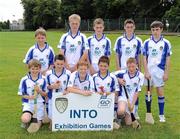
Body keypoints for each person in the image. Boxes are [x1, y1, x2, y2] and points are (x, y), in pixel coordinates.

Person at [143, 21, 172, 124]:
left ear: (161, 29)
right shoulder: (147, 42)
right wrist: (146, 71)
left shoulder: (166, 43)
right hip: (149, 72)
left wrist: (166, 73)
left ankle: (161, 114)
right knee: (148, 93)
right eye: (153, 30)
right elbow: (144, 58)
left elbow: (168, 59)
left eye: (157, 29)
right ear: (151, 30)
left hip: (160, 71)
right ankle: (148, 112)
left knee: (160, 92)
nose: (155, 32)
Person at [114, 19, 143, 119]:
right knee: (120, 91)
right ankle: (117, 112)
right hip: (123, 70)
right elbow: (117, 55)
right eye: (127, 27)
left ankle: (135, 111)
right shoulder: (119, 40)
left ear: (134, 27)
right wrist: (118, 70)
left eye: (131, 27)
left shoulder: (138, 40)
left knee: (135, 89)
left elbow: (139, 56)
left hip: (134, 70)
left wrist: (140, 70)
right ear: (124, 27)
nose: (129, 29)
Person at [18, 59, 47, 131]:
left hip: (39, 104)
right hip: (29, 103)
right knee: (25, 119)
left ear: (40, 69)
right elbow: (22, 94)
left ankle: (37, 120)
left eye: (37, 69)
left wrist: (39, 91)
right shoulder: (24, 79)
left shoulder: (43, 79)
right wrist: (31, 97)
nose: (34, 71)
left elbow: (45, 94)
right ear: (29, 69)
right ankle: (27, 120)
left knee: (37, 124)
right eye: (32, 69)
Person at [114, 58, 144, 127]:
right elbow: (111, 75)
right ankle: (118, 119)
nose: (131, 69)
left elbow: (137, 92)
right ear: (127, 66)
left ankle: (124, 116)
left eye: (133, 66)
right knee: (121, 110)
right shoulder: (122, 73)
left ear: (137, 65)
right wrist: (119, 80)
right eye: (129, 67)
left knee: (128, 123)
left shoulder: (140, 76)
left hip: (132, 99)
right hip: (123, 97)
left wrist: (132, 104)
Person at [93, 56, 120, 129]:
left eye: (105, 66)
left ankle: (114, 116)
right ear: (98, 65)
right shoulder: (94, 77)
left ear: (108, 66)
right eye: (101, 66)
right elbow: (91, 90)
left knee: (115, 98)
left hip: (109, 101)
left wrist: (110, 93)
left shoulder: (112, 77)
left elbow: (117, 91)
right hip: (97, 100)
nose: (103, 68)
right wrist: (96, 93)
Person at [46, 54, 71, 129]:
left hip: (64, 96)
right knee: (51, 112)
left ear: (64, 63)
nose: (59, 66)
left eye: (61, 64)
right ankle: (51, 121)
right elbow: (46, 86)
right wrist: (52, 86)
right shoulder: (48, 73)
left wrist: (67, 90)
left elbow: (70, 86)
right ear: (54, 63)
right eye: (57, 64)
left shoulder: (68, 73)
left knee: (63, 112)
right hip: (52, 97)